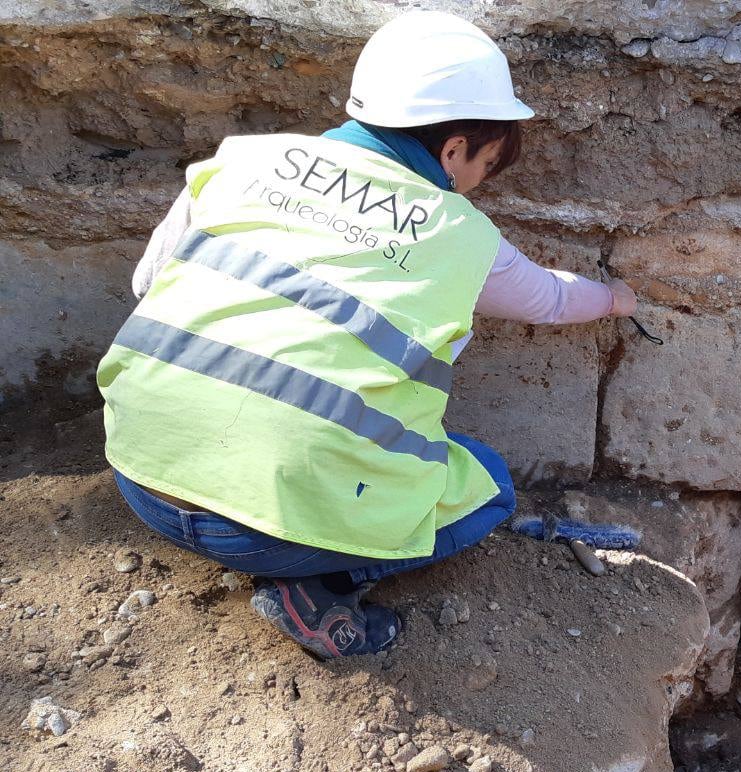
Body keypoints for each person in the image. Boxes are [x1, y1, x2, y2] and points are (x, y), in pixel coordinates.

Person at [96, 11, 637, 659]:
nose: (474, 184)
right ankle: (320, 585)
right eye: (485, 164)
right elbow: (547, 298)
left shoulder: (241, 159)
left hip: (140, 474)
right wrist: (614, 298)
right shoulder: (459, 234)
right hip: (267, 533)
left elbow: (147, 285)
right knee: (487, 484)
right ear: (455, 147)